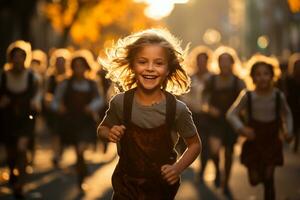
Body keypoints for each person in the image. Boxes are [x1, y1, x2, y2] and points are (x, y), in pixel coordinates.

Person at [97, 28, 201, 199]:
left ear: (168, 69)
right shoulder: (121, 102)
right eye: (143, 62)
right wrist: (109, 133)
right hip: (126, 185)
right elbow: (102, 129)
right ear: (132, 65)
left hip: (160, 187)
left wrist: (177, 168)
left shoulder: (177, 109)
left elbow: (195, 144)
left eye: (158, 63)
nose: (150, 68)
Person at [226, 54, 293, 200]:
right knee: (255, 180)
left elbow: (287, 114)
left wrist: (288, 131)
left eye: (266, 74)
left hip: (272, 140)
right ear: (252, 77)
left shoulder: (277, 96)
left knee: (269, 178)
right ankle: (256, 172)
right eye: (258, 74)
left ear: (272, 76)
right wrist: (242, 129)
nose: (262, 78)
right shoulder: (248, 95)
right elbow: (231, 114)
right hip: (254, 140)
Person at [51, 49, 103, 191]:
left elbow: (100, 99)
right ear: (72, 67)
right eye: (76, 66)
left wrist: (91, 107)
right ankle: (82, 174)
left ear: (87, 66)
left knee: (81, 149)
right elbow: (55, 101)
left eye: (82, 65)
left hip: (86, 122)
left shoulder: (92, 83)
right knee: (78, 150)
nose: (79, 69)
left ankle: (82, 175)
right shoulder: (65, 83)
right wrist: (59, 108)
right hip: (70, 122)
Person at [0, 40, 42, 198]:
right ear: (10, 58)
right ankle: (12, 172)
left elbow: (38, 94)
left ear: (26, 58)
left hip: (26, 118)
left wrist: (36, 102)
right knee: (10, 152)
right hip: (8, 118)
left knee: (22, 149)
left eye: (21, 56)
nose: (18, 60)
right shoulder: (3, 75)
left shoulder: (33, 76)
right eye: (15, 56)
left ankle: (21, 184)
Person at [202, 46, 245, 197]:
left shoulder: (239, 82)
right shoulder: (211, 80)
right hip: (215, 121)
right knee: (214, 151)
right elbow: (204, 100)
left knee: (228, 153)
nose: (225, 65)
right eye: (222, 62)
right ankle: (218, 172)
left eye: (227, 62)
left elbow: (245, 102)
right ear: (218, 63)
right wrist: (209, 109)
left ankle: (226, 181)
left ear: (233, 63)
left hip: (231, 122)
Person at [180, 46, 213, 183]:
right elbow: (183, 95)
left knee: (204, 142)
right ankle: (184, 165)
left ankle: (202, 171)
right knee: (188, 141)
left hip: (206, 116)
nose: (201, 63)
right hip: (191, 114)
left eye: (204, 61)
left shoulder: (212, 78)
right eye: (199, 61)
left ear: (207, 62)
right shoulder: (190, 77)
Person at [43, 48, 71, 167]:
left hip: (68, 110)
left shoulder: (70, 77)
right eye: (58, 62)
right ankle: (56, 155)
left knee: (64, 133)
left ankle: (60, 152)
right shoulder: (51, 77)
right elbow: (47, 93)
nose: (60, 65)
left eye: (62, 62)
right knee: (55, 133)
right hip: (54, 109)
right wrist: (53, 104)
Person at [285, 53, 300, 153]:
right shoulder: (288, 79)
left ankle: (296, 142)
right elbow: (286, 93)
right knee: (294, 125)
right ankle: (293, 140)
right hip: (292, 106)